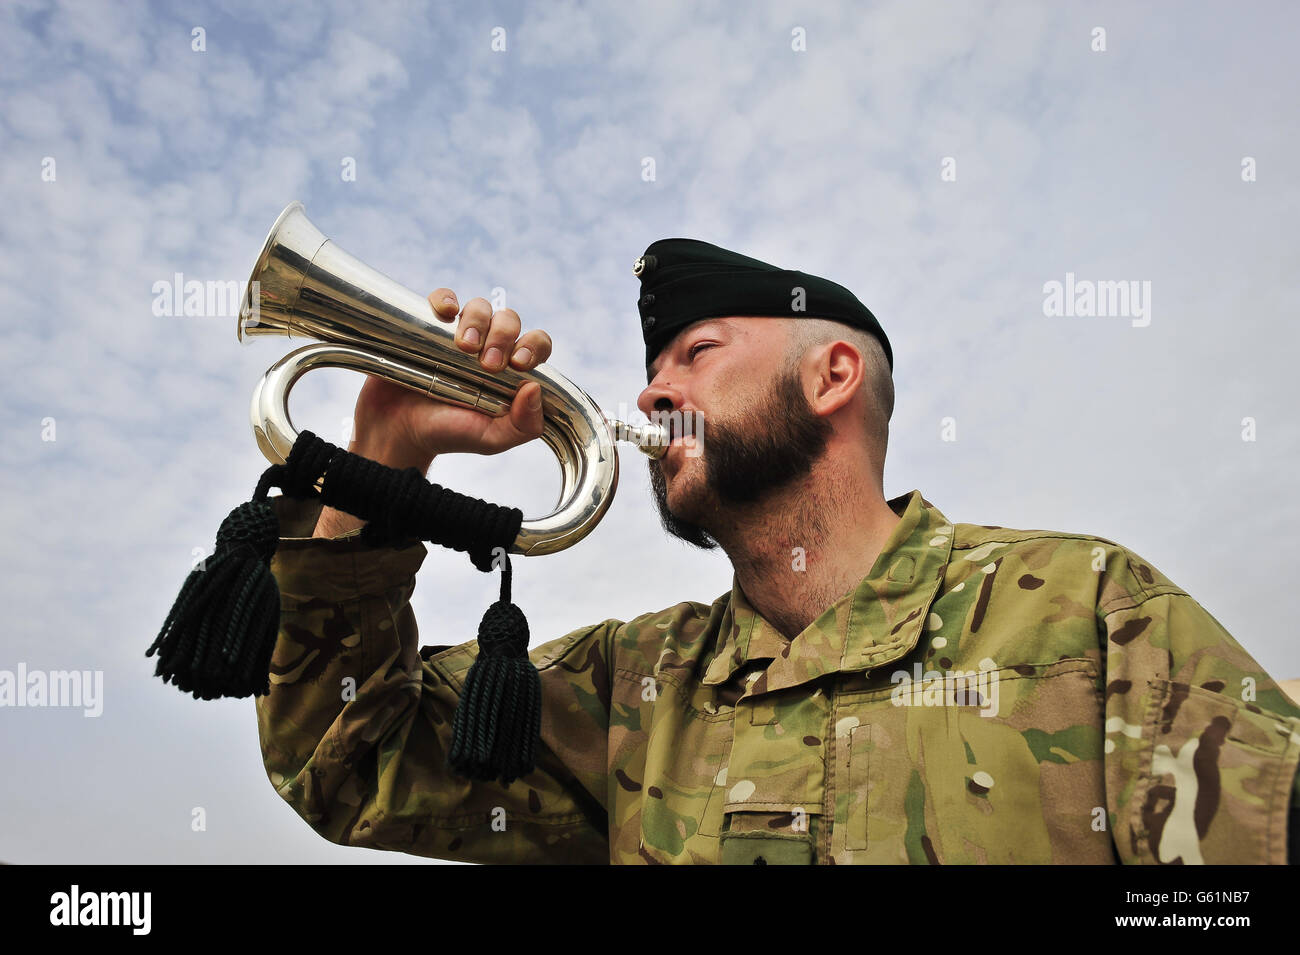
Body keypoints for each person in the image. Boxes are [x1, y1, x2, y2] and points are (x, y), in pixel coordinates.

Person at [256, 239, 1300, 864]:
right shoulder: (632, 684)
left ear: (832, 375)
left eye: (695, 355)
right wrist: (380, 459)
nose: (651, 395)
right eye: (652, 370)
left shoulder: (1086, 609)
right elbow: (346, 763)